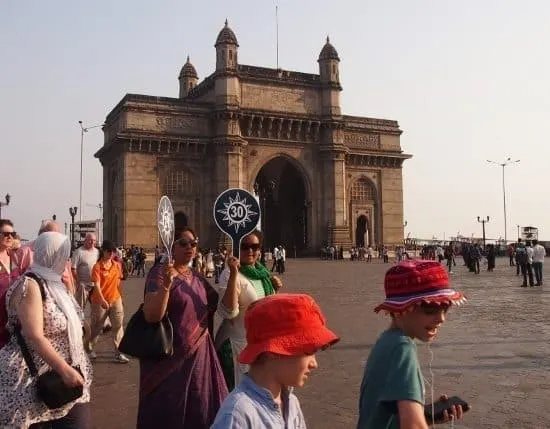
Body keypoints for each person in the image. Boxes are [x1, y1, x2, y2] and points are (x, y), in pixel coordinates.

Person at [357, 260, 468, 429]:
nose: (441, 318)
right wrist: (418, 421)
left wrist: (426, 417)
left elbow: (384, 415)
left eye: (445, 308)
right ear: (400, 310)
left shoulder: (386, 341)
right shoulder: (402, 348)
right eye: (430, 309)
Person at [0, 232, 92, 428]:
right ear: (52, 255)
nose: (66, 259)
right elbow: (34, 335)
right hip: (33, 380)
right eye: (63, 254)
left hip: (64, 376)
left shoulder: (56, 283)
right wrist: (64, 369)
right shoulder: (31, 284)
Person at [137, 227, 227, 429]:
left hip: (200, 360)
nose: (190, 248)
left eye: (193, 243)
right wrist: (167, 286)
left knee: (202, 412)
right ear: (171, 245)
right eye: (184, 243)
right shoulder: (159, 274)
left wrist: (236, 277)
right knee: (171, 415)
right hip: (170, 363)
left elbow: (222, 308)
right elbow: (152, 315)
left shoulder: (196, 277)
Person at [211, 293, 339, 429]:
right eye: (308, 352)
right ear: (273, 351)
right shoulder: (238, 415)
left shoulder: (291, 403)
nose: (314, 364)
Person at [216, 230, 283, 390]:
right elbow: (228, 312)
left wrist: (275, 291)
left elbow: (266, 311)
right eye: (245, 247)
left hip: (259, 348)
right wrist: (233, 274)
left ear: (260, 249)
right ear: (238, 247)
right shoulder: (229, 274)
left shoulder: (264, 275)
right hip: (236, 348)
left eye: (255, 246)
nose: (250, 251)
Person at [88, 240, 128, 362]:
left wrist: (121, 298)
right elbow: (97, 286)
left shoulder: (117, 265)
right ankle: (88, 348)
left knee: (118, 325)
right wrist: (102, 300)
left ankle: (119, 352)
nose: (111, 253)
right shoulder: (97, 267)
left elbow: (118, 282)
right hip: (99, 301)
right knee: (96, 327)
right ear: (103, 251)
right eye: (108, 251)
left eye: (113, 251)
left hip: (115, 299)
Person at [0, 219, 30, 349]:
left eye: (13, 234)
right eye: (6, 234)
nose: (10, 237)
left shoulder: (13, 256)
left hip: (12, 317)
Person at [71, 233, 99, 310]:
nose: (92, 242)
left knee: (97, 308)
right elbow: (73, 268)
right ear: (85, 240)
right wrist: (79, 282)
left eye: (94, 240)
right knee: (80, 308)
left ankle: (95, 322)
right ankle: (79, 322)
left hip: (95, 285)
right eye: (90, 240)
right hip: (83, 285)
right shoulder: (79, 252)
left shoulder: (97, 252)